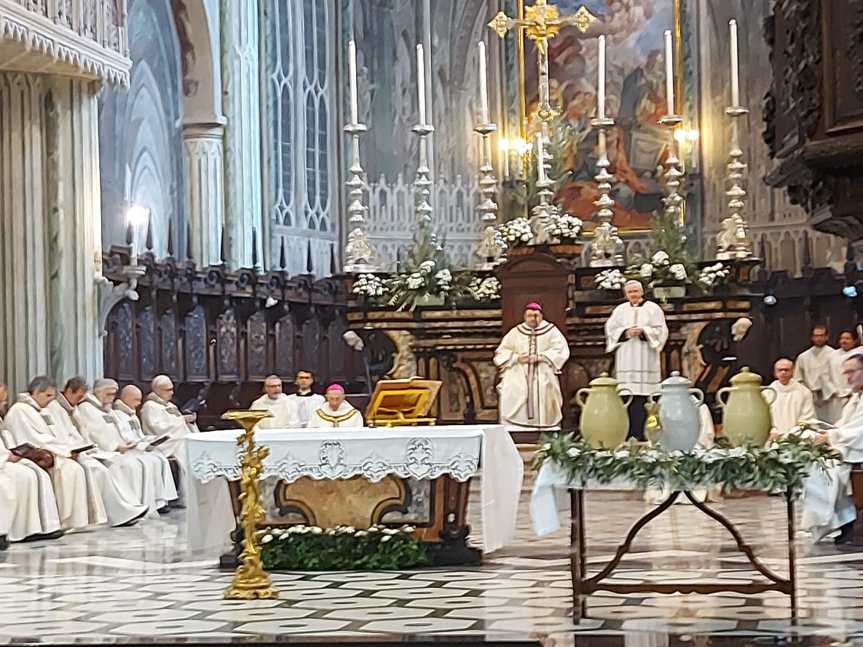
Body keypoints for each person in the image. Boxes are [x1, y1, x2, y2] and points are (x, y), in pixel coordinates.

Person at [44, 377, 149, 527]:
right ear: (68, 391)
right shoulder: (55, 408)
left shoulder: (70, 408)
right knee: (100, 470)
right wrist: (74, 449)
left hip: (83, 450)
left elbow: (81, 432)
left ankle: (128, 507)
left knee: (111, 464)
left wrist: (88, 446)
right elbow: (59, 435)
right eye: (78, 396)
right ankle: (119, 513)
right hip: (67, 453)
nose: (79, 401)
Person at [4, 377, 96, 530]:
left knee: (76, 468)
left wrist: (70, 448)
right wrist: (64, 451)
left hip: (54, 450)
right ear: (35, 393)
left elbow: (55, 434)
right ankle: (63, 519)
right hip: (38, 454)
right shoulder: (20, 410)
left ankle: (74, 521)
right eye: (47, 396)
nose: (50, 400)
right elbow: (33, 438)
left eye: (52, 396)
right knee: (70, 470)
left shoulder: (42, 411)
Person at [76, 379, 175, 515]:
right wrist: (116, 446)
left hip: (119, 448)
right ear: (99, 392)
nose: (112, 398)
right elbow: (95, 432)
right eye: (109, 394)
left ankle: (153, 502)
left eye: (113, 394)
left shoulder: (106, 408)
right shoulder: (87, 408)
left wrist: (128, 443)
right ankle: (132, 504)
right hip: (102, 451)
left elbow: (120, 430)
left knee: (150, 460)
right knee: (132, 465)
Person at [801, 353, 863, 543]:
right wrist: (827, 434)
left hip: (858, 450)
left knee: (827, 470)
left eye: (852, 372)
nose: (848, 377)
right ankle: (842, 521)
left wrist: (831, 436)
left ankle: (846, 521)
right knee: (817, 467)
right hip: (851, 448)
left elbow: (860, 430)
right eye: (845, 373)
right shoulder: (856, 398)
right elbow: (844, 425)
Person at [604, 280, 669, 440]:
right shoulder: (620, 310)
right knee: (629, 396)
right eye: (629, 292)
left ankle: (650, 434)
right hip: (627, 356)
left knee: (647, 398)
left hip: (646, 356)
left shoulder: (653, 309)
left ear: (641, 292)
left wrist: (644, 332)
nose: (633, 295)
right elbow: (610, 329)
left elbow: (661, 330)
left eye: (635, 291)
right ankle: (630, 435)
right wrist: (625, 333)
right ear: (625, 294)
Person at [494, 302, 570, 430]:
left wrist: (542, 357)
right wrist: (517, 358)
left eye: (536, 316)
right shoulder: (516, 332)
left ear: (541, 316)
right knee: (515, 388)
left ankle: (544, 427)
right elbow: (501, 352)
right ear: (525, 316)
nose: (533, 319)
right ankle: (517, 427)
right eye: (530, 316)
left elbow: (561, 350)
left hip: (543, 371)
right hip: (519, 371)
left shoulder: (551, 331)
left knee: (543, 388)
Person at [0, 383, 62, 539]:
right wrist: (6, 456)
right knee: (25, 476)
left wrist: (14, 452)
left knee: (38, 472)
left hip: (7, 457)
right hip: (3, 461)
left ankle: (42, 527)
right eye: (2, 401)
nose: (5, 404)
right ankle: (20, 531)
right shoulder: (19, 410)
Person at [112, 384, 178, 510]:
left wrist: (150, 440)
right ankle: (145, 502)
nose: (138, 403)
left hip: (139, 447)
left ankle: (160, 500)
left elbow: (139, 434)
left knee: (160, 459)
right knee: (149, 462)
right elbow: (124, 436)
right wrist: (138, 443)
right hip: (129, 450)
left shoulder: (131, 414)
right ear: (126, 398)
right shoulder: (118, 415)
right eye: (136, 400)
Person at [794, 325, 842, 423]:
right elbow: (798, 379)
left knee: (833, 423)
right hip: (811, 397)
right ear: (812, 337)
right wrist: (807, 393)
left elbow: (839, 376)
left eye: (821, 335)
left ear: (826, 337)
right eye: (816, 336)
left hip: (831, 397)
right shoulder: (803, 357)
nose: (819, 338)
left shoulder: (834, 354)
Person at [770, 358, 817, 436]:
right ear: (775, 373)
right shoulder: (768, 392)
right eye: (780, 370)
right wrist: (773, 430)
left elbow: (807, 418)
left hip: (797, 436)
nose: (783, 372)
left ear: (793, 372)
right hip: (774, 435)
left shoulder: (804, 392)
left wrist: (792, 434)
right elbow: (765, 417)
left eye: (786, 370)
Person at [829, 330, 862, 420]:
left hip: (855, 393)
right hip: (836, 396)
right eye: (842, 338)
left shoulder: (859, 353)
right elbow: (826, 375)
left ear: (855, 341)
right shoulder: (832, 355)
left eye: (847, 338)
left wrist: (850, 392)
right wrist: (834, 390)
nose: (844, 341)